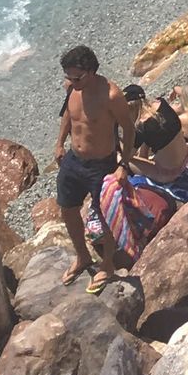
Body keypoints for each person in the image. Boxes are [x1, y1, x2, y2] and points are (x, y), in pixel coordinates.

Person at [54, 46, 132, 286]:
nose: (72, 82)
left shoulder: (111, 95)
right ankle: (83, 256)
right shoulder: (72, 89)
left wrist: (124, 166)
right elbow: (69, 115)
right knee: (67, 209)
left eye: (77, 77)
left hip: (101, 164)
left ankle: (107, 264)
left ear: (91, 71)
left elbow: (129, 130)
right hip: (74, 160)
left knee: (103, 216)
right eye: (69, 77)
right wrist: (59, 143)